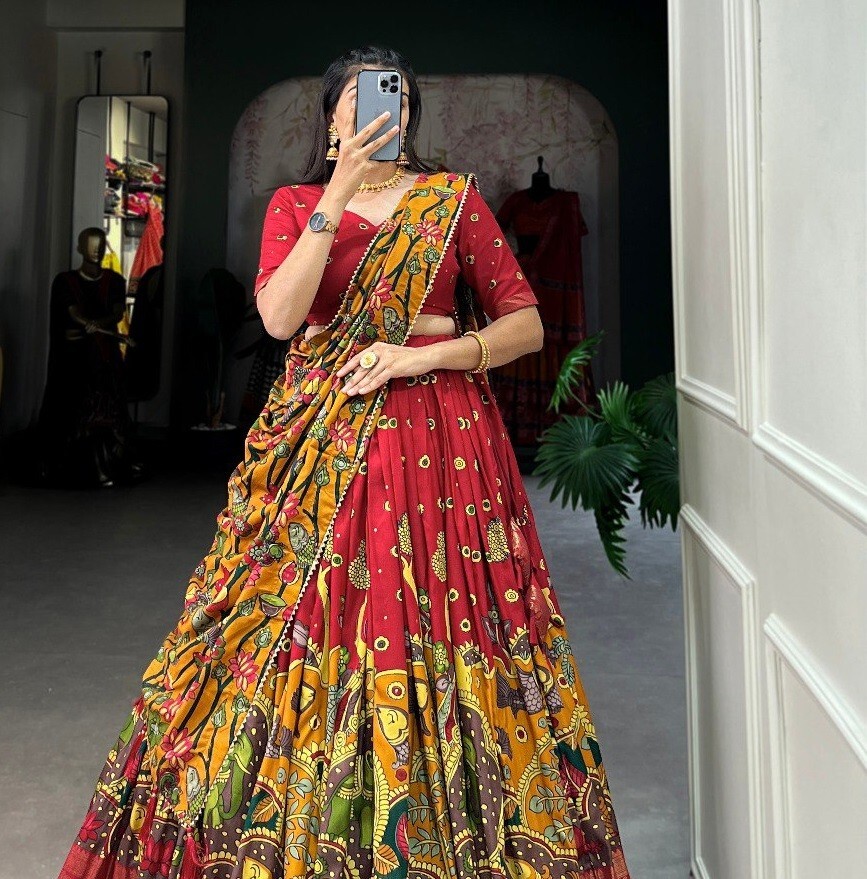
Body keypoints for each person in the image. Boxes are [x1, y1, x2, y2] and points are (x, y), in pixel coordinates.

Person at [58, 47, 632, 879]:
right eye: (356, 101)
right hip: (315, 440)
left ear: (410, 113)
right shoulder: (294, 204)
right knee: (296, 616)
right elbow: (282, 318)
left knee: (438, 618)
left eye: (392, 100)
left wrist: (424, 353)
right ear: (330, 117)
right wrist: (336, 196)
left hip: (440, 445)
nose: (375, 113)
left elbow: (526, 325)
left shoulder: (450, 199)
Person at [38, 227, 141, 488]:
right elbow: (72, 313)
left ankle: (113, 463)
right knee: (72, 409)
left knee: (110, 407)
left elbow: (117, 313)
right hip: (76, 361)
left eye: (100, 244)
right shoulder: (65, 282)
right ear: (80, 248)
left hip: (105, 360)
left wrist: (98, 324)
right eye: (90, 244)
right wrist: (86, 324)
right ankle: (70, 465)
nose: (96, 250)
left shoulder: (114, 281)